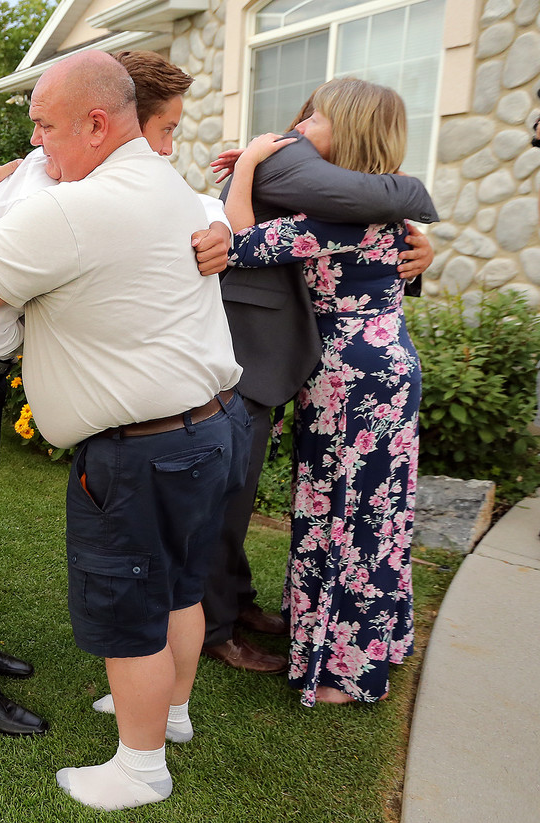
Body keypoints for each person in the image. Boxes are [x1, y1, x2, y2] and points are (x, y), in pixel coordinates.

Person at [0, 52, 247, 812]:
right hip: (205, 431)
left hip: (138, 450)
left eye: (45, 126)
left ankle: (139, 768)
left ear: (96, 123)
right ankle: (168, 714)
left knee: (129, 614)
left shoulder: (77, 209)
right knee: (177, 587)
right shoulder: (172, 189)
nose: (37, 143)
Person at [203, 90, 438, 674]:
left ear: (352, 129)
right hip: (376, 366)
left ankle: (346, 665)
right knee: (365, 510)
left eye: (315, 117)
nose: (299, 125)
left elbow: (239, 246)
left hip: (353, 378)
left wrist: (252, 163)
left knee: (350, 514)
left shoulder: (343, 211)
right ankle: (354, 641)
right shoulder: (369, 203)